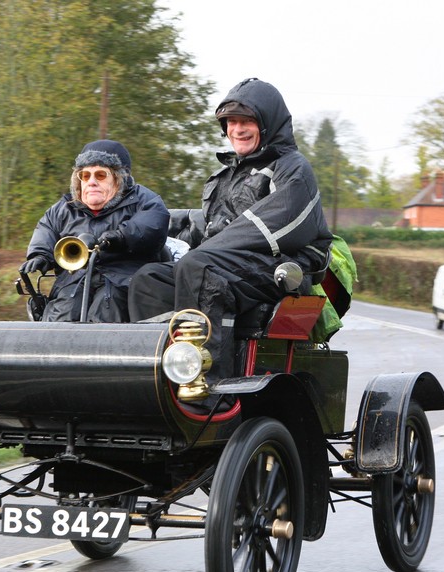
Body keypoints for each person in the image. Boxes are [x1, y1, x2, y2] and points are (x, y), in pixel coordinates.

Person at [128, 78, 334, 381]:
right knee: (148, 279)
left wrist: (203, 254)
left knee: (198, 268)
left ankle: (206, 382)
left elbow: (273, 227)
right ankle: (156, 377)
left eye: (247, 120)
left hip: (278, 272)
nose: (237, 129)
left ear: (268, 124)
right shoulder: (223, 176)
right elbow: (209, 229)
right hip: (228, 266)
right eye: (231, 121)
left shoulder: (291, 168)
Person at [20, 140, 170, 322]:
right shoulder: (64, 208)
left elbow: (152, 225)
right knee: (61, 315)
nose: (91, 182)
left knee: (105, 313)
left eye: (100, 175)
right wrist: (40, 256)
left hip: (123, 281)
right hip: (74, 281)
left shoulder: (145, 200)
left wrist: (120, 236)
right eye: (85, 176)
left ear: (118, 178)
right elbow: (46, 229)